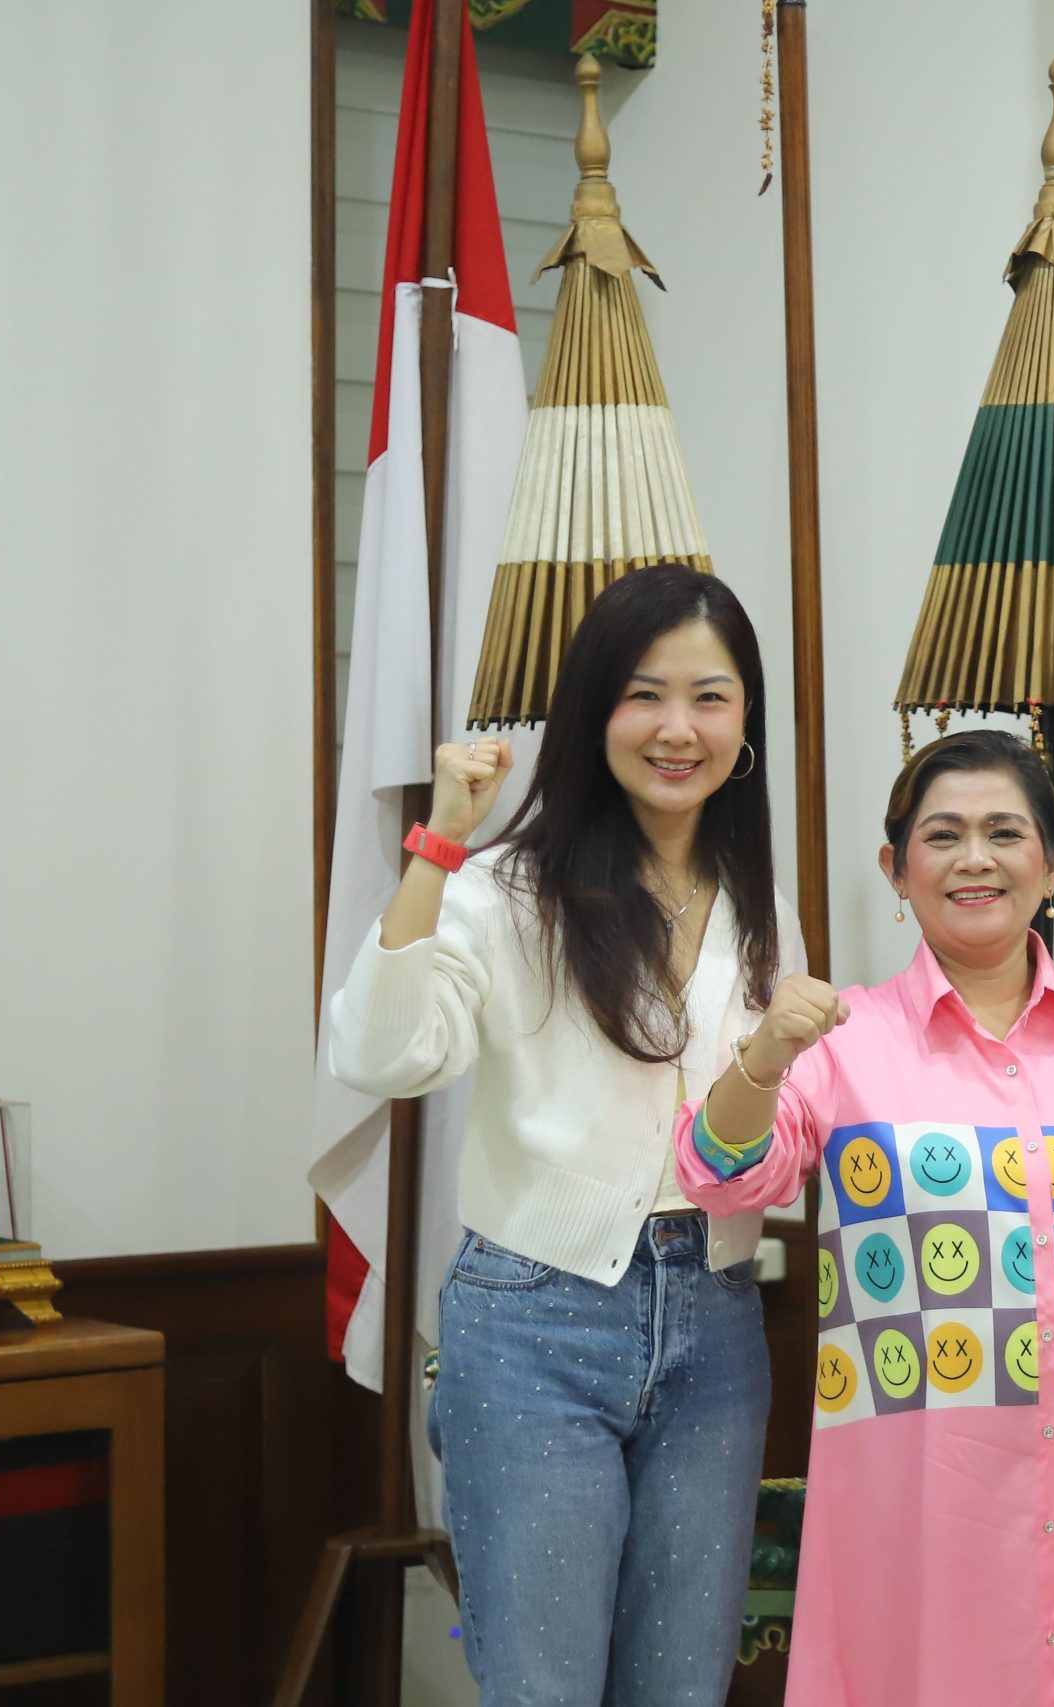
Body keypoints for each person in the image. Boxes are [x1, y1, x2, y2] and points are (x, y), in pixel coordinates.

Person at [677, 730, 1054, 1706]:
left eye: (1004, 832)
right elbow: (722, 1178)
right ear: (895, 869)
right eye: (941, 836)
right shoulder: (842, 1045)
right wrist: (765, 1054)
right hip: (912, 1506)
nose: (974, 858)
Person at [327, 563, 791, 1706]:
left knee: (682, 1693)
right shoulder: (506, 888)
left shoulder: (756, 895)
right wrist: (439, 842)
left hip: (721, 1324)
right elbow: (379, 1055)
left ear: (746, 724)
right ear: (593, 715)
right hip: (534, 1324)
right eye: (643, 695)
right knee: (543, 1691)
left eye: (711, 697)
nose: (677, 729)